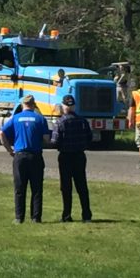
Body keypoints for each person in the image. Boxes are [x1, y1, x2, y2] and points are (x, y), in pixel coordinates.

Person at [0, 94, 51, 223]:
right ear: (34, 105)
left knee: (19, 188)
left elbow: (1, 133)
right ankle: (36, 217)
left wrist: (9, 150)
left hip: (20, 156)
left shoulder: (15, 118)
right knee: (36, 188)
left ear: (22, 105)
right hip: (35, 156)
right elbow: (47, 139)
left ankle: (19, 217)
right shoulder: (40, 119)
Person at [51, 94, 93, 223]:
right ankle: (86, 215)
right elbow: (89, 137)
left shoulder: (60, 122)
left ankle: (67, 214)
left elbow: (55, 141)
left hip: (65, 156)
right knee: (82, 185)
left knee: (66, 186)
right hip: (79, 155)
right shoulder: (82, 121)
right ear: (73, 106)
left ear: (64, 106)